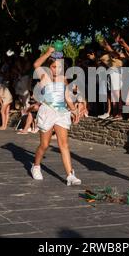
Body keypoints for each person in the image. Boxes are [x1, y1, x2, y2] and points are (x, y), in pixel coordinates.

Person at [31, 46, 81, 186]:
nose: (56, 70)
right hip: (47, 111)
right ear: (49, 66)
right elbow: (36, 64)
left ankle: (70, 174)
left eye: (59, 67)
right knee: (45, 144)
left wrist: (73, 110)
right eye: (54, 67)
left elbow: (66, 97)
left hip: (61, 113)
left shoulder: (63, 79)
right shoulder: (44, 75)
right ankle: (36, 165)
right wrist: (48, 53)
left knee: (64, 144)